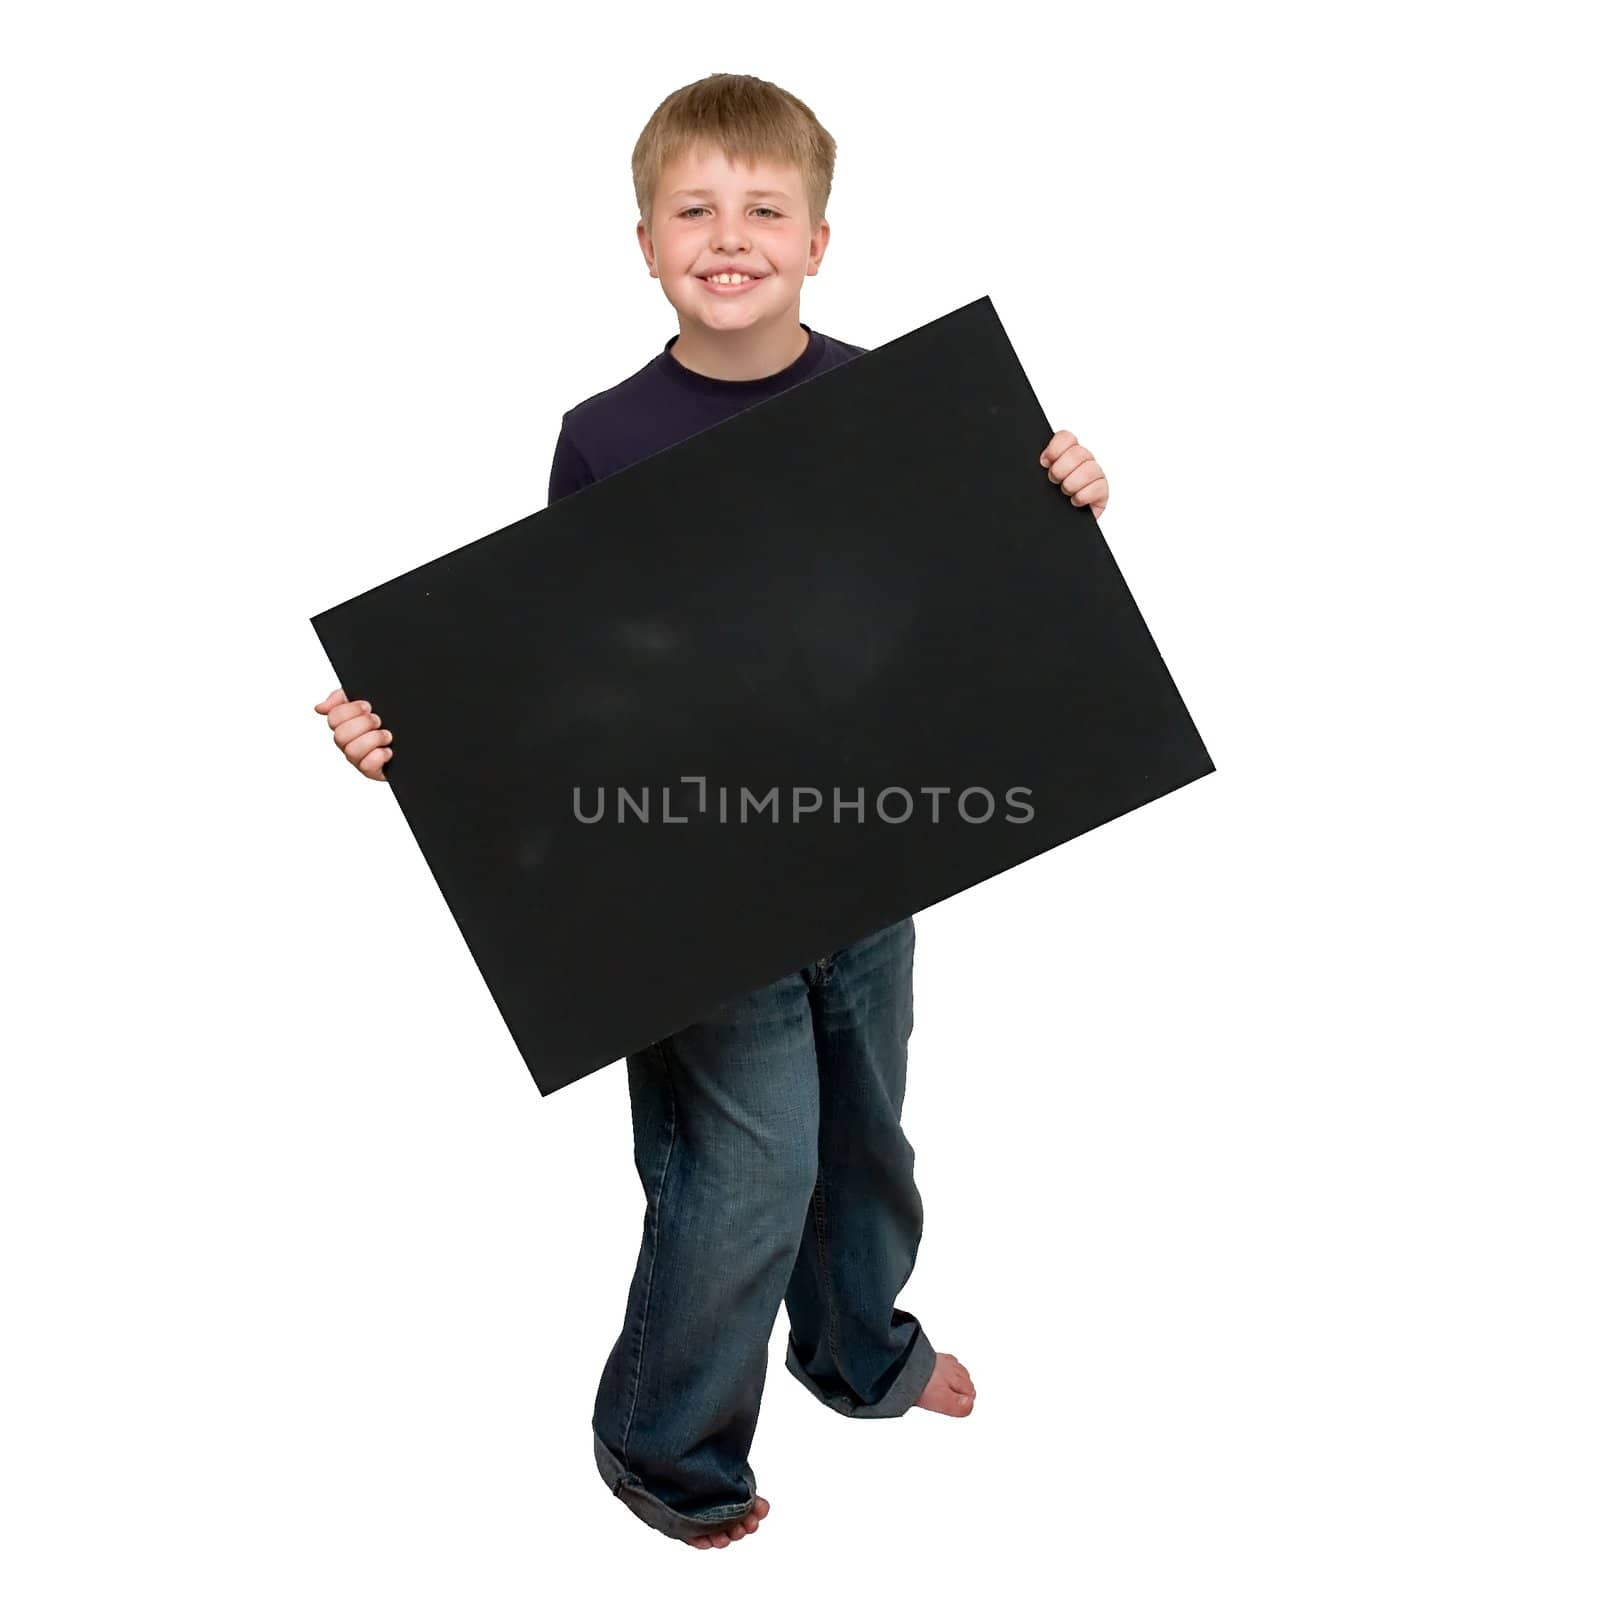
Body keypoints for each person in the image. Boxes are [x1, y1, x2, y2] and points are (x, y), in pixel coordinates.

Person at [314, 71, 1109, 1549]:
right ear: (644, 243)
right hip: (692, 884)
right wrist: (400, 734)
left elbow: (958, 607)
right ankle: (664, 1448)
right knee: (745, 1171)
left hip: (871, 845)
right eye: (695, 210)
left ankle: (857, 1352)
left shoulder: (900, 404)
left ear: (819, 241)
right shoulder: (603, 435)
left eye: (765, 210)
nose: (729, 236)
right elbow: (549, 663)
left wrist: (1054, 487)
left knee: (867, 1130)